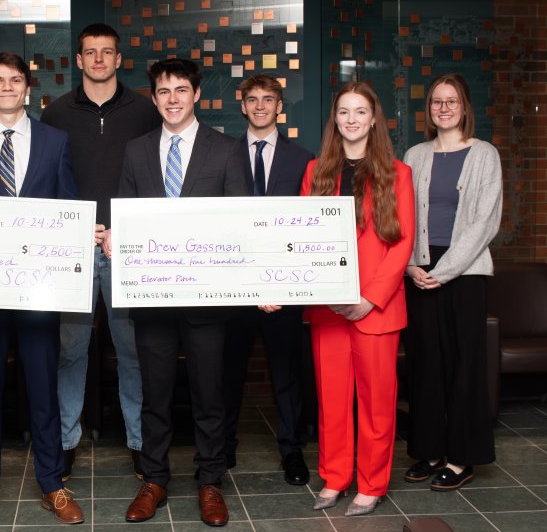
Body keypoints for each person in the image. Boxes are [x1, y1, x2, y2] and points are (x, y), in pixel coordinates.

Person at [0, 52, 84, 528]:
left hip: (39, 292)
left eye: (16, 80)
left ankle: (52, 482)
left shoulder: (55, 141)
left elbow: (68, 209)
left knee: (43, 390)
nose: (7, 87)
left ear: (28, 88)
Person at [119, 58, 250, 527]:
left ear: (197, 95)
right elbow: (126, 217)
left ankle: (210, 481)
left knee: (208, 395)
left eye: (180, 90)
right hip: (153, 299)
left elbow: (241, 224)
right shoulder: (135, 151)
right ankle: (154, 479)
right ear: (153, 98)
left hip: (207, 301)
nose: (172, 99)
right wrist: (116, 236)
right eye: (163, 91)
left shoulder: (227, 150)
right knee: (154, 395)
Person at [41, 23, 161, 480]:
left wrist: (128, 229)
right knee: (71, 350)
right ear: (78, 60)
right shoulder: (55, 114)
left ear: (117, 59)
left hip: (127, 249)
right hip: (73, 247)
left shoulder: (145, 112)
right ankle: (67, 441)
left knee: (131, 350)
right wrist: (72, 226)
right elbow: (48, 180)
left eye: (106, 52)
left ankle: (137, 440)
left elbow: (153, 177)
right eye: (90, 52)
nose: (98, 60)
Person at [296, 80, 414, 516]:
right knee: (332, 400)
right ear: (335, 119)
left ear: (373, 118)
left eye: (359, 111)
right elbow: (304, 235)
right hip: (328, 307)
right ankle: (335, 477)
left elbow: (401, 245)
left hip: (375, 309)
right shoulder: (316, 171)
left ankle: (372, 483)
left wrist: (371, 298)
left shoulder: (398, 173)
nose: (351, 119)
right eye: (343, 112)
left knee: (377, 401)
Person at [402, 73, 501, 491]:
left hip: (465, 274)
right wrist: (409, 265)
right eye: (436, 102)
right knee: (425, 364)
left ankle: (461, 457)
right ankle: (428, 450)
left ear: (464, 108)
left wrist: (443, 272)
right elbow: (401, 216)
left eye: (452, 101)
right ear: (429, 110)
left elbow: (484, 223)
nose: (443, 108)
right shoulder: (414, 154)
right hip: (418, 270)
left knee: (464, 366)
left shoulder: (484, 154)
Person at [223, 74, 313, 485]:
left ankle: (292, 451)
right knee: (226, 372)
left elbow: (308, 225)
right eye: (253, 99)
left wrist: (278, 281)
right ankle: (222, 449)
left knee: (286, 373)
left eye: (268, 99)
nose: (260, 106)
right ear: (242, 106)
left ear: (280, 106)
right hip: (232, 285)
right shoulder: (222, 155)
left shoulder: (303, 160)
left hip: (284, 285)